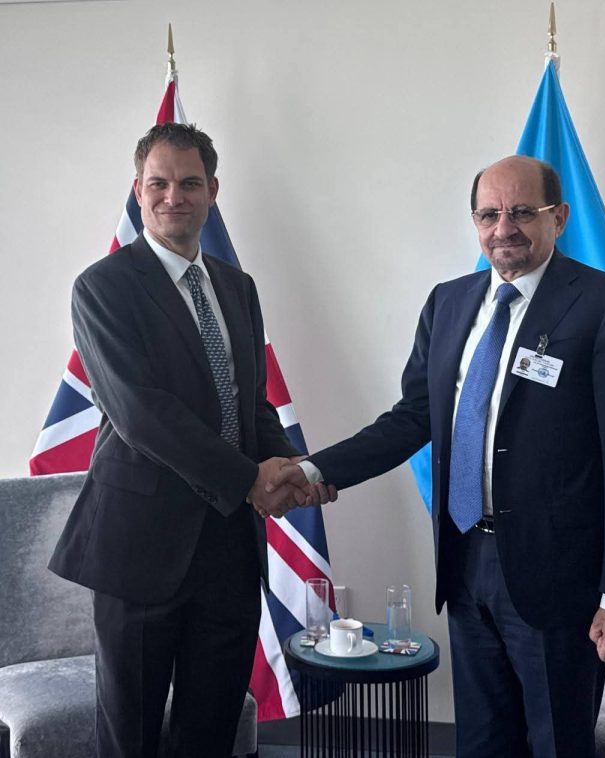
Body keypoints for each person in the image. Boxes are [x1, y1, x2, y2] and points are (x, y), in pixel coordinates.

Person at [267, 156, 605, 757]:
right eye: (488, 214)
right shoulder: (448, 303)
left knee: (557, 744)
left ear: (559, 217)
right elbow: (412, 419)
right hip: (465, 560)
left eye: (522, 212)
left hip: (558, 579)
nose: (504, 228)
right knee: (481, 744)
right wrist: (313, 470)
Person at [48, 123, 332, 758]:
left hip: (229, 546)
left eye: (189, 183)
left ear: (213, 191)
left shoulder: (237, 287)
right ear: (138, 191)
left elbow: (250, 403)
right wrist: (249, 479)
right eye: (159, 183)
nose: (173, 196)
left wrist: (294, 469)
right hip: (140, 548)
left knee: (211, 728)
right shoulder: (102, 287)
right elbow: (141, 413)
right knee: (132, 734)